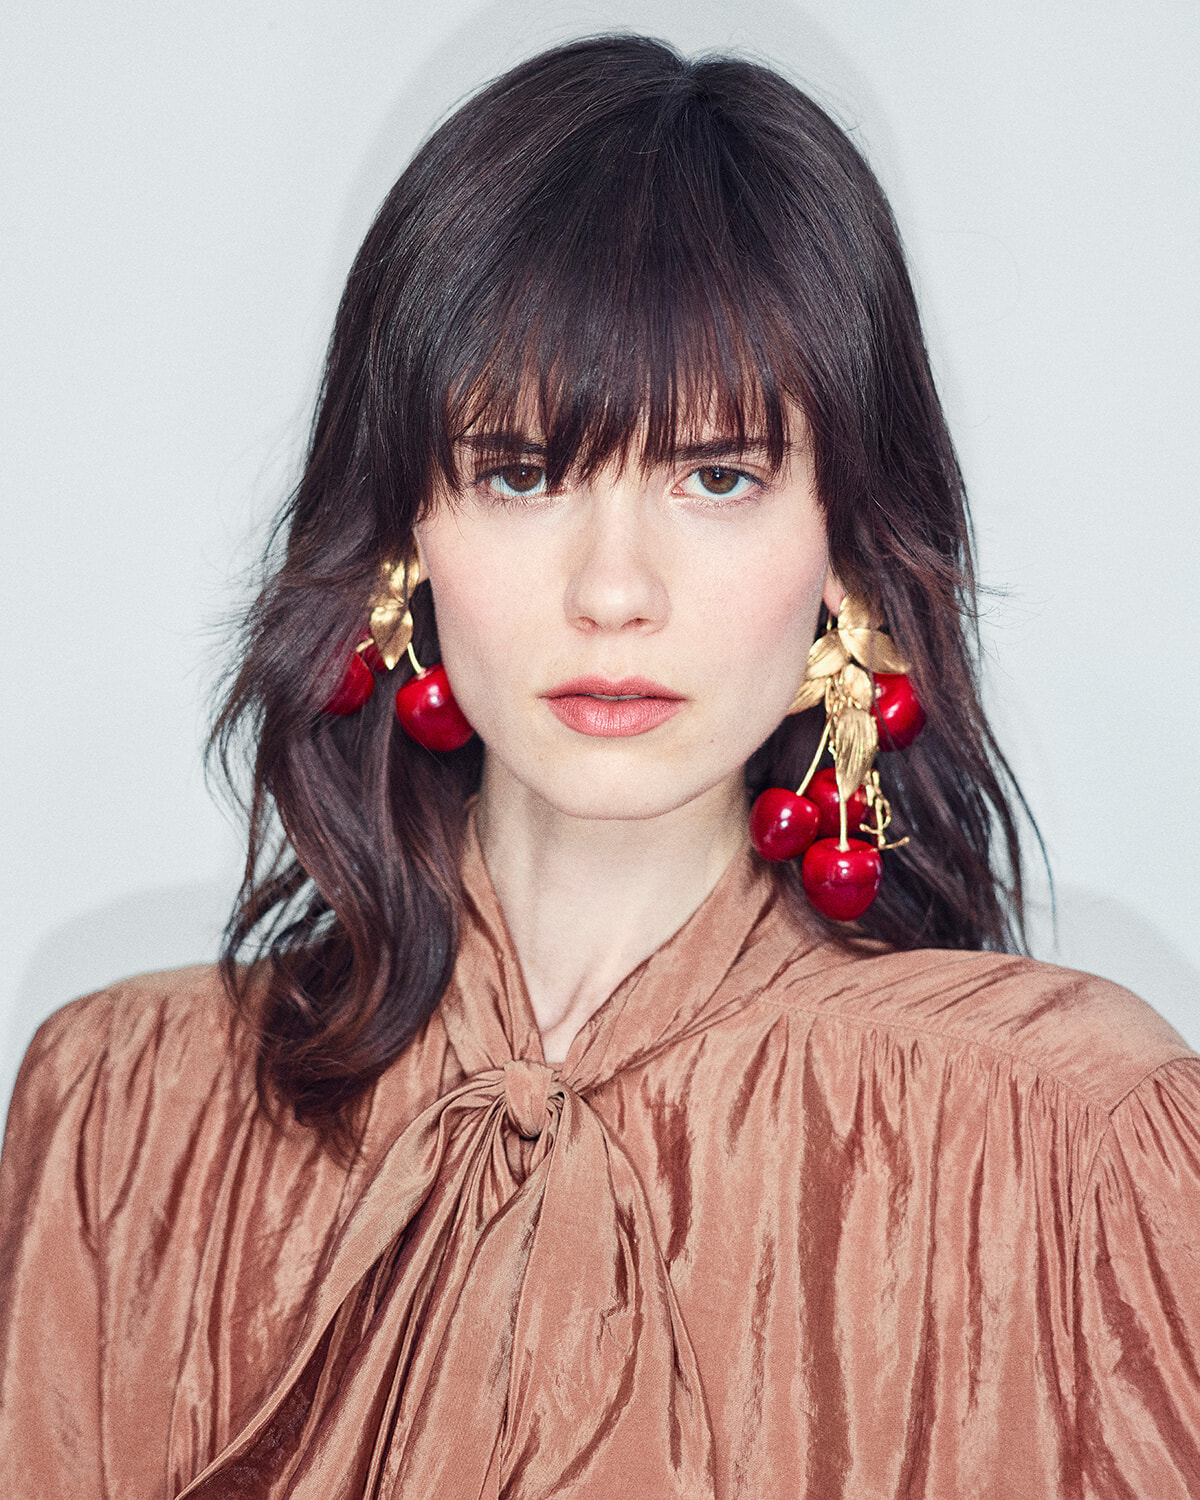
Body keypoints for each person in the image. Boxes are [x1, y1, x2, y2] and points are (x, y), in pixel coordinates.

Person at [1, 32, 1197, 1499]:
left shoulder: (1066, 1141)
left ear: (847, 551)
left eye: (717, 475)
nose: (614, 589)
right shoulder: (125, 1121)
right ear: (399, 539)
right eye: (519, 472)